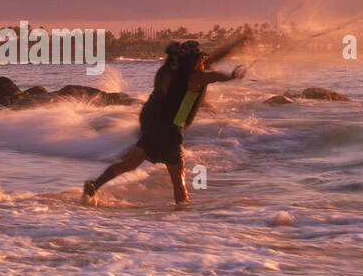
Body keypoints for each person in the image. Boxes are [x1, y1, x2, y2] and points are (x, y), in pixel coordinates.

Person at [83, 33, 249, 207]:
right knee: (178, 178)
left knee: (129, 164)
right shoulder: (195, 77)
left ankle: (95, 185)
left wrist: (237, 44)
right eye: (201, 58)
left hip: (156, 127)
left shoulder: (181, 73)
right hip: (170, 132)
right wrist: (231, 76)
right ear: (195, 60)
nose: (203, 61)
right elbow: (212, 76)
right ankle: (182, 214)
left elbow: (213, 61)